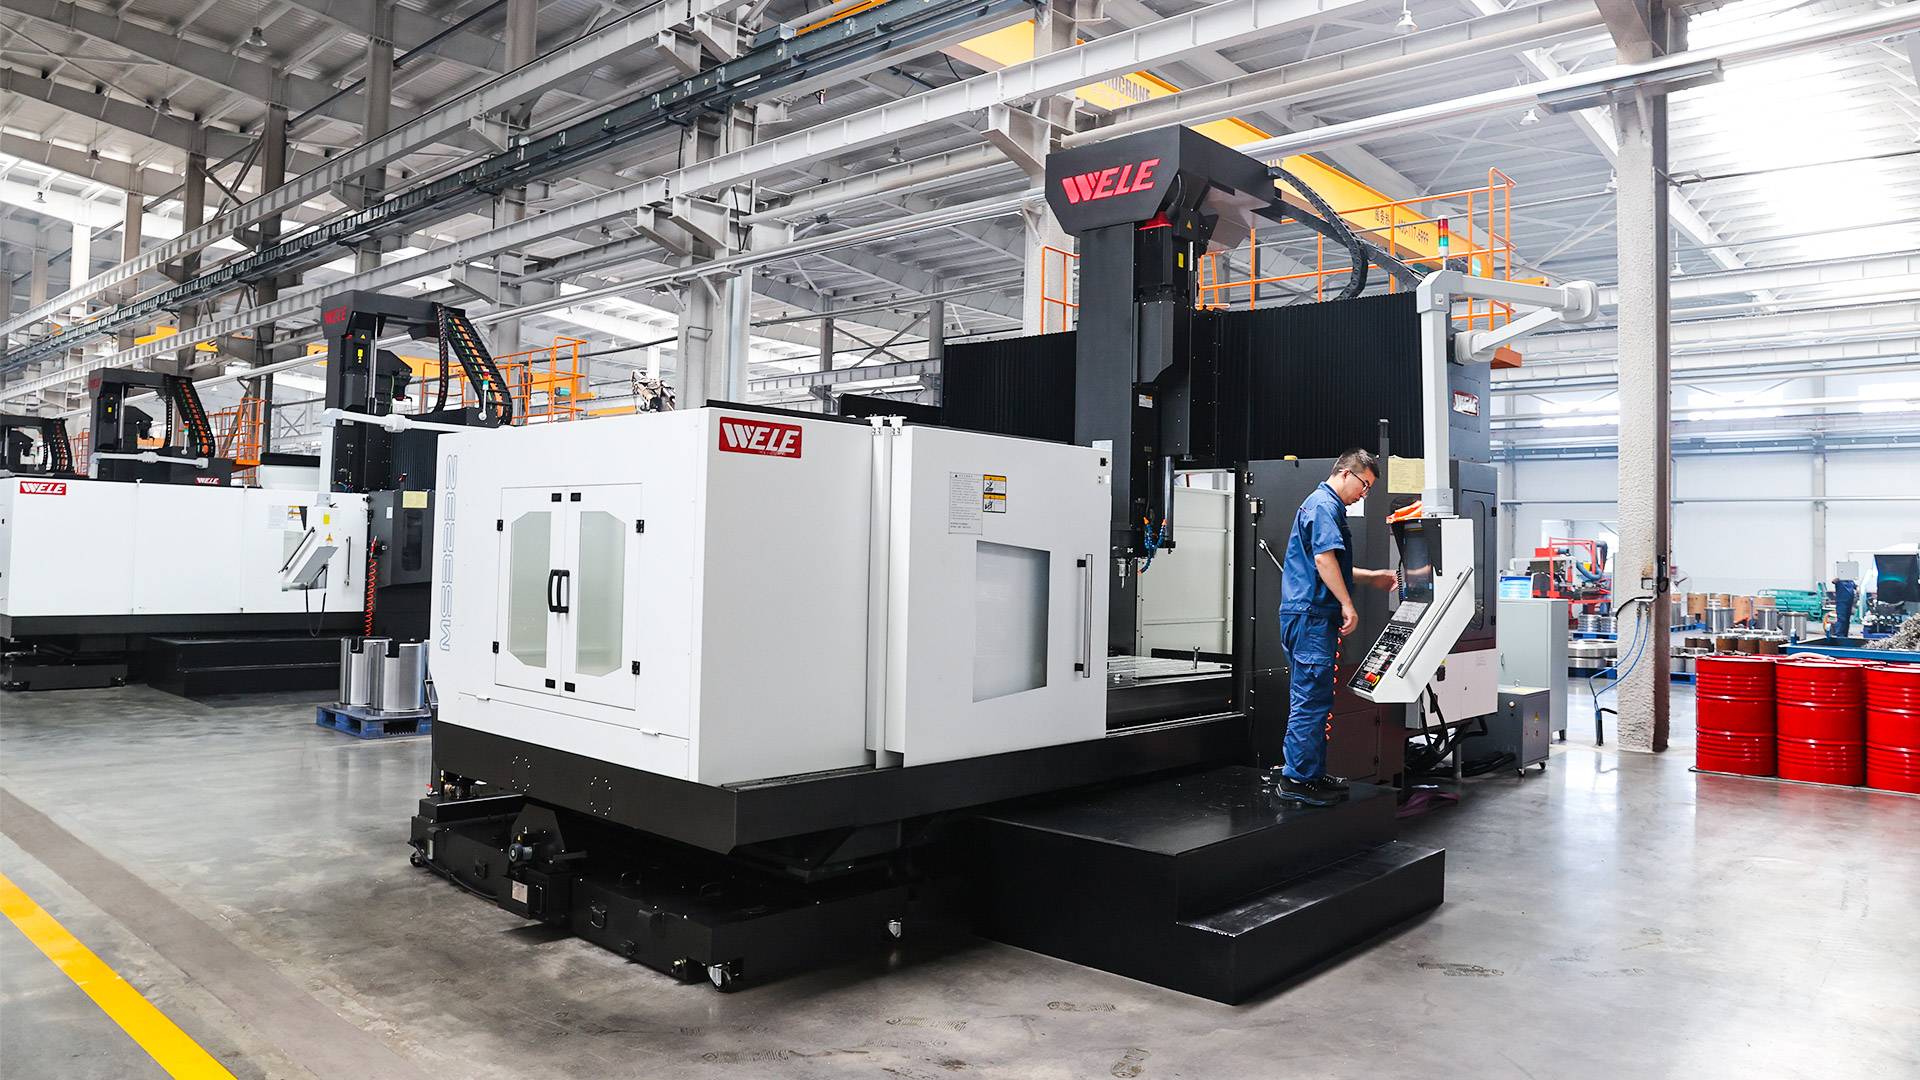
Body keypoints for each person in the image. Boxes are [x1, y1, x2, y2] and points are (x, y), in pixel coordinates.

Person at [1272, 449, 1397, 806]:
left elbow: (1331, 567)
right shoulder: (1324, 506)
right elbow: (1324, 559)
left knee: (1315, 699)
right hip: (1311, 617)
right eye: (1364, 485)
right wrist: (1347, 604)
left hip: (1308, 616)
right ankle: (1297, 779)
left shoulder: (1324, 506)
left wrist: (1371, 577)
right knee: (1311, 700)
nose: (1364, 494)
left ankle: (1308, 772)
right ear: (1345, 473)